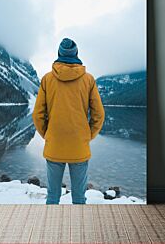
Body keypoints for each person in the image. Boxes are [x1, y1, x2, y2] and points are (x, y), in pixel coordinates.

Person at [32, 37, 105, 204]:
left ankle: (51, 228)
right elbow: (99, 114)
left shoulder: (47, 79)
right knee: (79, 197)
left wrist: (48, 134)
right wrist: (88, 135)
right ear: (76, 54)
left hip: (55, 143)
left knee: (52, 196)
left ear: (59, 53)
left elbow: (37, 114)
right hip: (79, 144)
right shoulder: (88, 80)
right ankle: (78, 228)